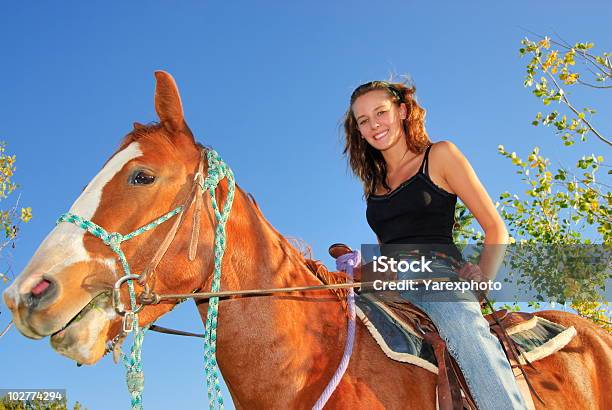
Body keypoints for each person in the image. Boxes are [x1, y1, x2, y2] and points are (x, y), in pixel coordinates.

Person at [342, 80, 528, 410]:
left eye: (380, 113)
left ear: (401, 111)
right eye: (364, 120)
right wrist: (360, 274)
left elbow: (495, 227)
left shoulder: (439, 155)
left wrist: (483, 276)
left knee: (464, 332)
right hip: (390, 283)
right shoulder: (374, 185)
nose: (374, 125)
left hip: (438, 276)